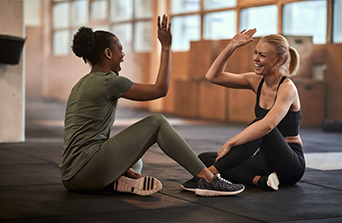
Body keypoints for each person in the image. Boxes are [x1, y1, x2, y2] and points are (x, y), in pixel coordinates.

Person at [59, 15, 245, 197]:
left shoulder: (80, 85)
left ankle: (117, 181)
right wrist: (165, 48)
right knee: (157, 122)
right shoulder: (109, 82)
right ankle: (208, 179)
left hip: (71, 177)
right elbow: (160, 90)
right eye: (120, 49)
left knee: (136, 162)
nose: (123, 54)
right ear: (108, 53)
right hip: (86, 170)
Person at [182, 29, 305, 191]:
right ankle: (261, 181)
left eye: (262, 55)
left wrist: (230, 143)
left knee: (261, 125)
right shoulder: (255, 81)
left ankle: (209, 176)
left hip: (290, 165)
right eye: (255, 53)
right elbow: (213, 76)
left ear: (279, 60)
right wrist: (232, 45)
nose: (256, 58)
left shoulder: (287, 88)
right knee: (204, 159)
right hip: (264, 161)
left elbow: (268, 125)